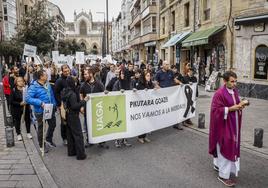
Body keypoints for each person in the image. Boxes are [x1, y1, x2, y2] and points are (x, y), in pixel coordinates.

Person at [209, 71, 248, 187]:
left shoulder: (234, 91)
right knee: (225, 146)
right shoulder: (219, 93)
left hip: (233, 124)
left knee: (230, 145)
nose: (234, 84)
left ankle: (218, 165)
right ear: (225, 81)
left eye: (236, 81)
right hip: (223, 126)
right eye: (232, 81)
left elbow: (235, 104)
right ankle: (223, 175)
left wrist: (241, 104)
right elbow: (215, 111)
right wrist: (231, 108)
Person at [26, 70, 57, 152]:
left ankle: (48, 139)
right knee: (41, 128)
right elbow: (28, 99)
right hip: (40, 111)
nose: (47, 75)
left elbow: (52, 95)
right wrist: (40, 103)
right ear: (41, 77)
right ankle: (41, 145)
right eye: (45, 75)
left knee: (53, 124)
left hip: (50, 109)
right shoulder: (34, 86)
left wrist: (54, 105)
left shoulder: (47, 84)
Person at [61, 76, 88, 160]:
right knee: (78, 135)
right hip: (73, 115)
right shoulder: (72, 94)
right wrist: (84, 101)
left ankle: (71, 151)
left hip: (67, 115)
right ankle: (80, 155)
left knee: (70, 134)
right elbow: (75, 106)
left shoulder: (64, 91)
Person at [113, 69, 132, 148]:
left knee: (126, 123)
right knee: (119, 123)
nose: (122, 75)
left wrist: (134, 91)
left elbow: (131, 92)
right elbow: (113, 93)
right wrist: (118, 92)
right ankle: (117, 140)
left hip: (127, 105)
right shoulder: (117, 82)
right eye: (121, 74)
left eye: (123, 74)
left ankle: (124, 140)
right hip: (119, 106)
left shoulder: (129, 83)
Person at [135, 70, 154, 144]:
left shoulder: (150, 83)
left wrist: (154, 89)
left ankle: (145, 136)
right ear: (144, 76)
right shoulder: (140, 84)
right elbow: (137, 93)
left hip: (148, 106)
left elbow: (152, 91)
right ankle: (140, 137)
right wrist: (143, 91)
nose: (149, 77)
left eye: (149, 76)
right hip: (142, 106)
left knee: (147, 121)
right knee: (142, 121)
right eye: (147, 76)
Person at [10, 77, 32, 141]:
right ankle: (18, 134)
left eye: (22, 81)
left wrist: (28, 101)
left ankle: (28, 132)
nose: (21, 82)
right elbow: (11, 101)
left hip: (26, 107)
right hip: (17, 108)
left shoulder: (26, 89)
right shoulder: (13, 90)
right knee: (17, 121)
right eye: (19, 81)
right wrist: (19, 103)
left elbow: (30, 97)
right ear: (16, 83)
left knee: (27, 120)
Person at [55, 64, 70, 145]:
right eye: (65, 71)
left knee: (70, 121)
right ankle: (64, 138)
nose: (67, 72)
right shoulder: (59, 81)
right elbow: (56, 93)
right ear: (62, 71)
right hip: (63, 104)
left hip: (71, 103)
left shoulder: (71, 78)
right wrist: (60, 104)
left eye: (68, 71)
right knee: (64, 122)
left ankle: (69, 136)